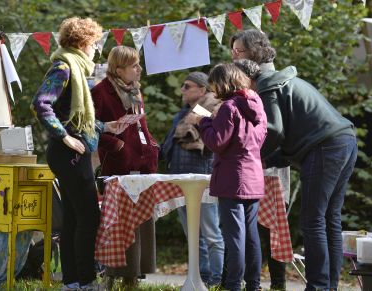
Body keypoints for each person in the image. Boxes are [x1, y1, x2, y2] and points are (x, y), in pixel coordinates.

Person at [230, 29, 358, 291]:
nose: (233, 58)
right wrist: (265, 159)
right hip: (345, 140)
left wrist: (251, 157)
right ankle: (328, 286)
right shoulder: (278, 79)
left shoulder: (265, 82)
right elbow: (287, 141)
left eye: (238, 52)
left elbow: (274, 132)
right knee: (329, 218)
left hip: (325, 146)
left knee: (313, 219)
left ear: (252, 56)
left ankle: (318, 287)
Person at [32, 17, 126, 291]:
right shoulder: (63, 67)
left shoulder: (76, 69)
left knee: (74, 217)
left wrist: (106, 126)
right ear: (83, 43)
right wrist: (65, 137)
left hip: (74, 152)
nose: (97, 49)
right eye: (95, 43)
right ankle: (85, 281)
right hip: (67, 154)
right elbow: (41, 104)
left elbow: (72, 117)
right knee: (88, 217)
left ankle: (72, 281)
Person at [186, 63, 267, 291]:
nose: (212, 90)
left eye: (213, 85)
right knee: (251, 236)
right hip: (253, 174)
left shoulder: (229, 107)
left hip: (232, 177)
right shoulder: (256, 103)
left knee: (234, 237)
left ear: (221, 83)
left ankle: (233, 285)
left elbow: (216, 142)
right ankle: (253, 284)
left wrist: (203, 121)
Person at [91, 45, 159, 287]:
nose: (139, 69)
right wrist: (117, 145)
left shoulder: (135, 91)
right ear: (118, 69)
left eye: (138, 64)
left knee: (141, 221)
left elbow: (141, 127)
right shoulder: (100, 92)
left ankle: (134, 275)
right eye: (134, 65)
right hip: (119, 167)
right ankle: (113, 274)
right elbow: (91, 129)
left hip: (143, 165)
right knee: (119, 224)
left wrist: (152, 145)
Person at [160, 72, 224, 287]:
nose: (182, 90)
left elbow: (215, 144)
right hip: (181, 180)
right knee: (194, 237)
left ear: (203, 90)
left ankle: (218, 280)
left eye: (187, 86)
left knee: (212, 234)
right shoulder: (182, 115)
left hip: (202, 180)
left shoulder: (214, 111)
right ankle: (201, 278)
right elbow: (167, 147)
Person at [234, 58, 290, 291]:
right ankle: (249, 283)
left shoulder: (265, 94)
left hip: (269, 172)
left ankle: (276, 284)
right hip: (249, 171)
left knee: (271, 232)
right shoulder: (235, 100)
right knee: (249, 231)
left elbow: (275, 133)